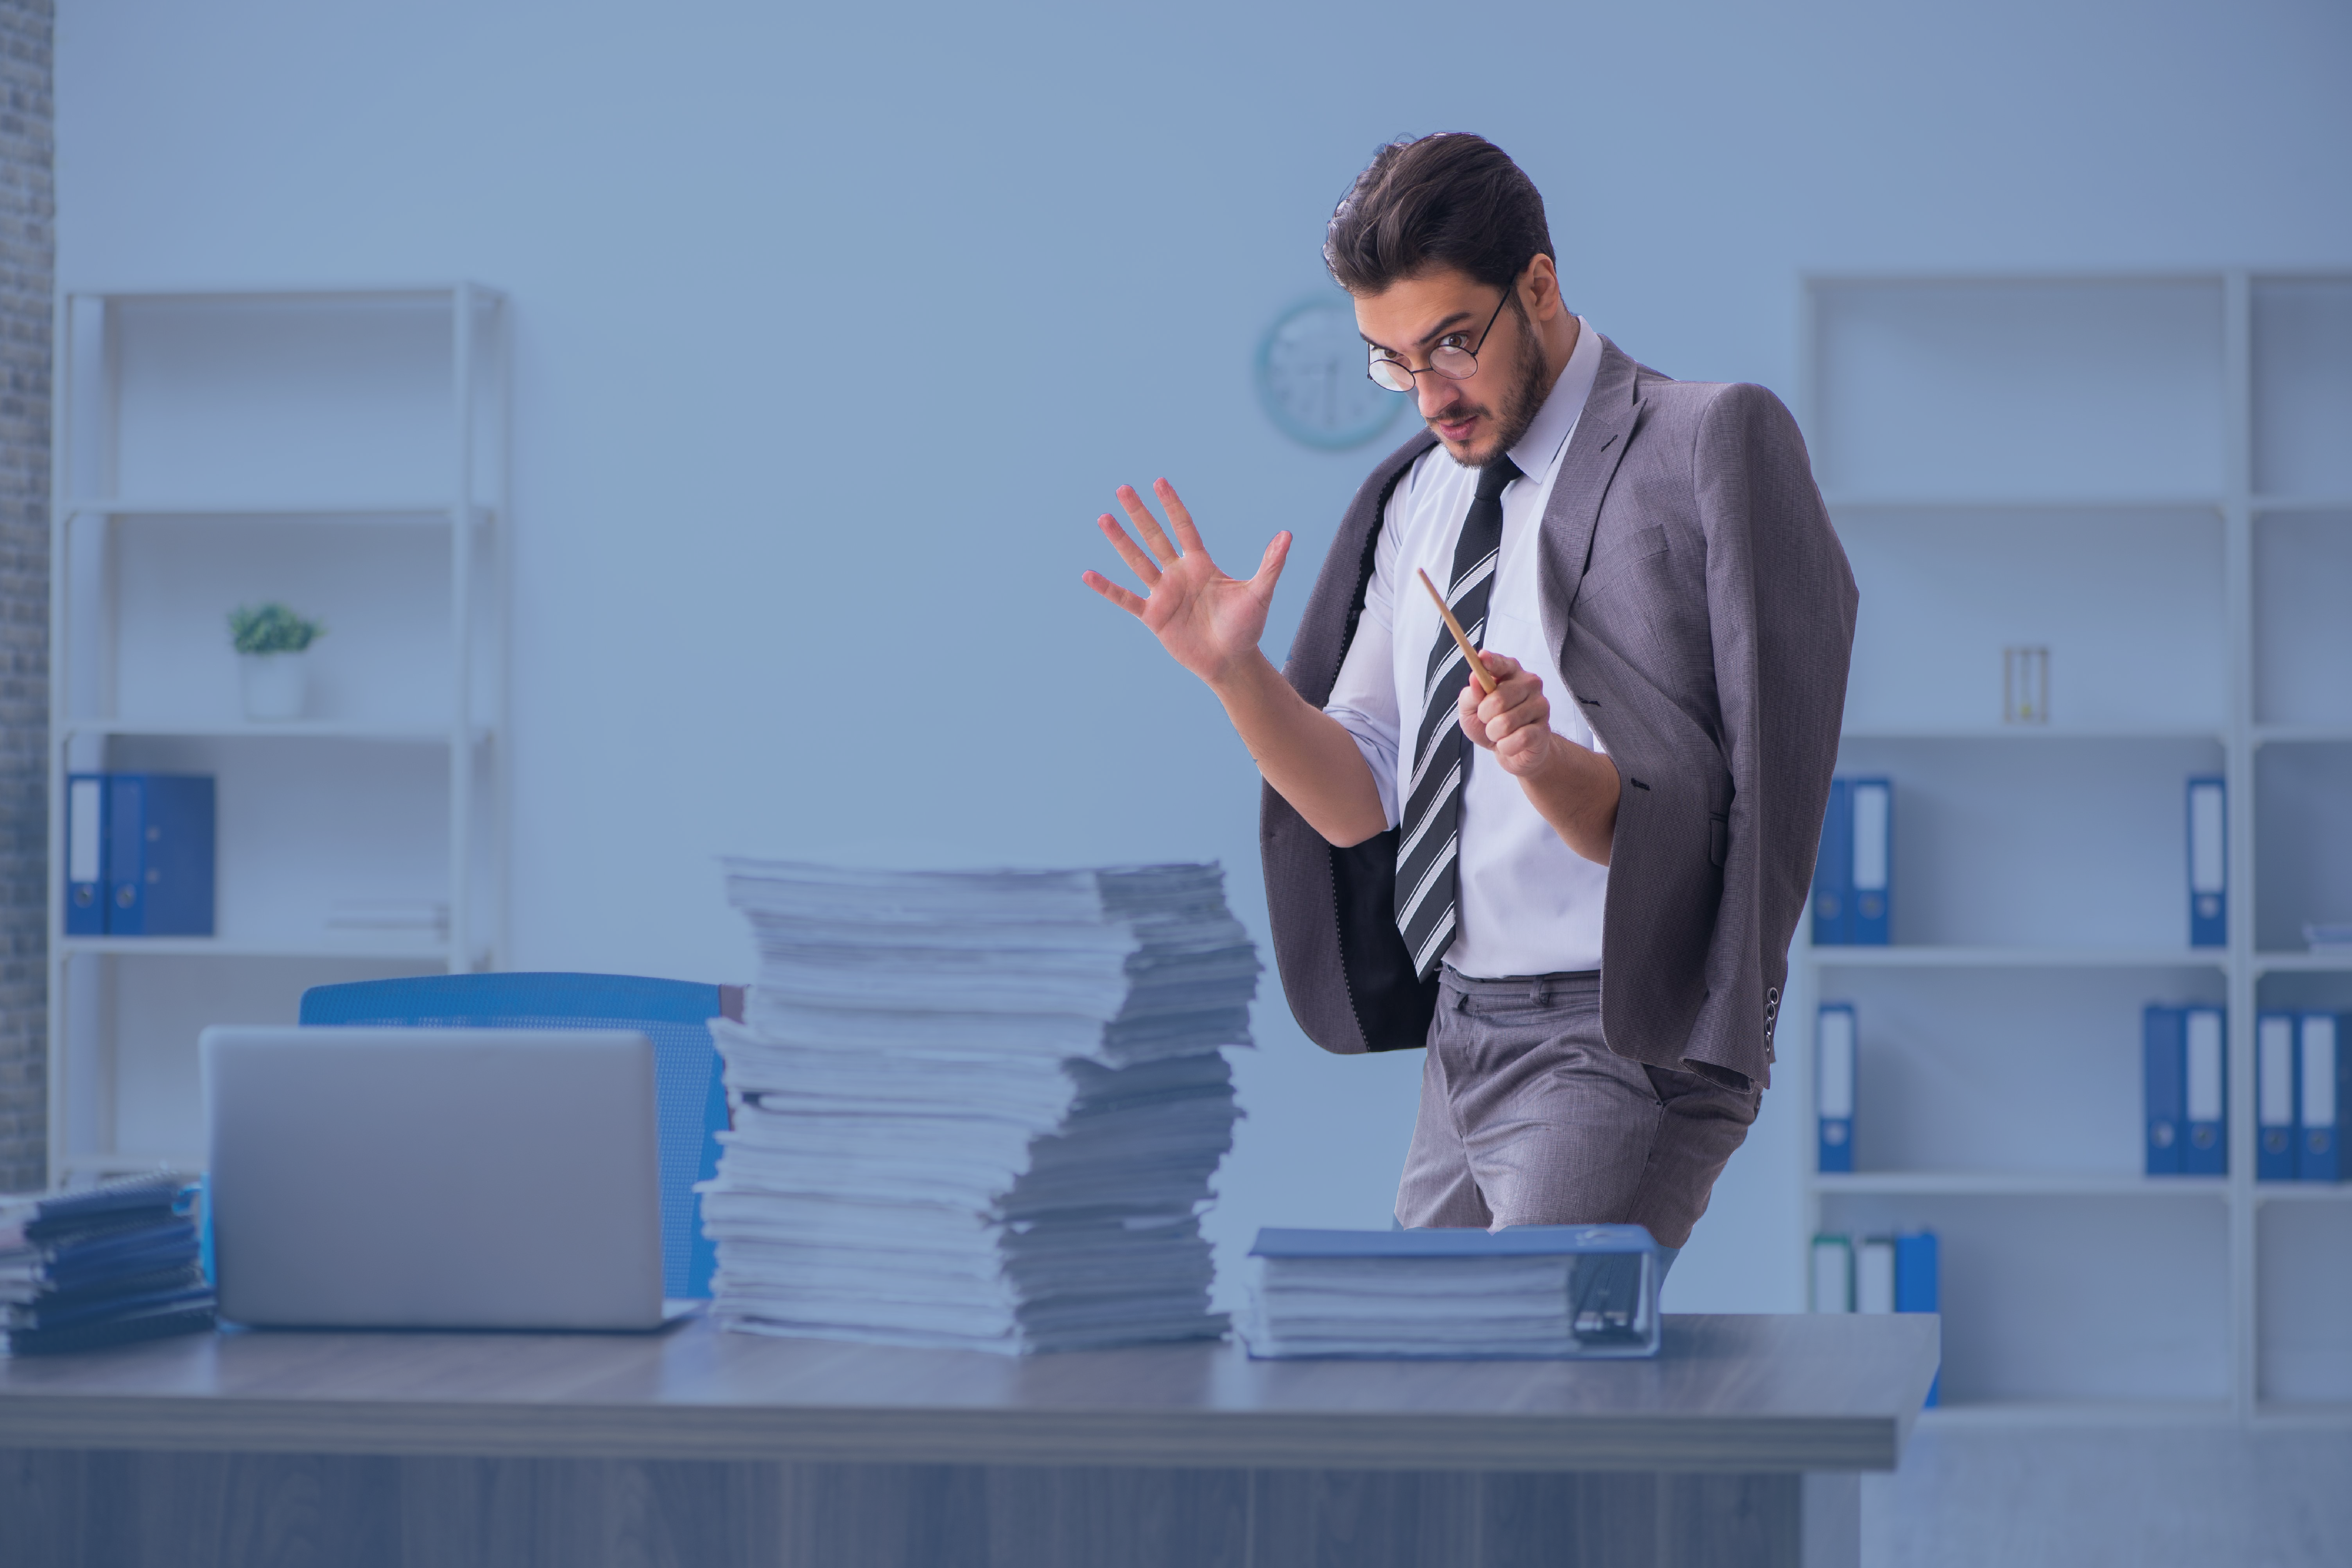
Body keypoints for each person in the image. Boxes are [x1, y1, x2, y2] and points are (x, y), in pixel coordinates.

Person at [1082, 132, 1856, 1261]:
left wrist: (1548, 768)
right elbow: (1361, 803)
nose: (1429, 395)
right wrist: (1234, 677)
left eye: (1452, 342)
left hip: (1616, 1032)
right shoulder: (1411, 497)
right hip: (1464, 1026)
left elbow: (1752, 781)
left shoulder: (1706, 442)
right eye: (1390, 361)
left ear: (1538, 285)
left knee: (1526, 1387)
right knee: (1430, 1403)